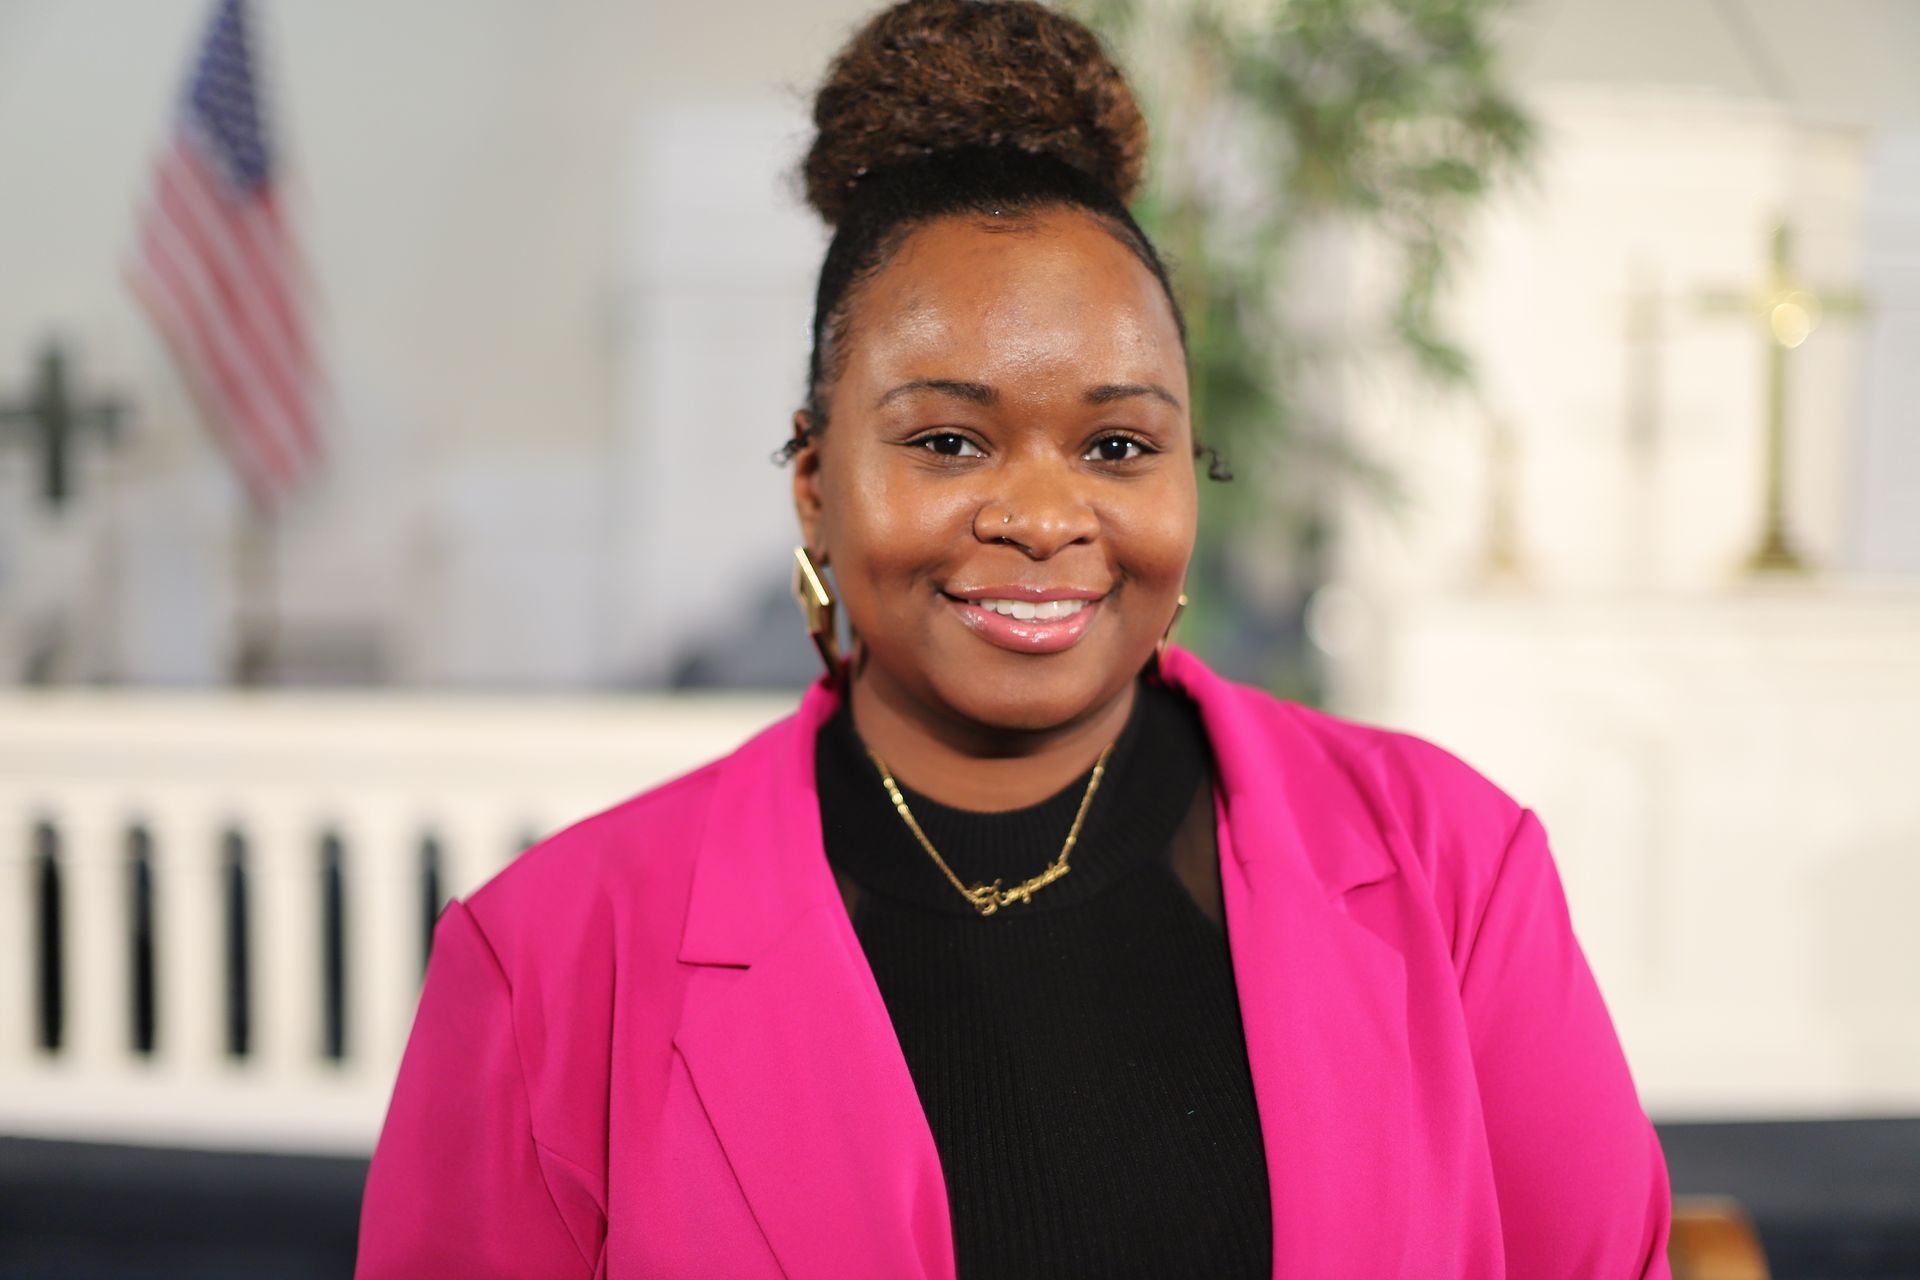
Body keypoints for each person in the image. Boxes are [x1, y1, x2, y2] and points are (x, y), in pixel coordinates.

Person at [354, 1, 1673, 1275]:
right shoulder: (549, 960)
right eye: (947, 440)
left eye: (1116, 444)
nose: (1046, 517)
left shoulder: (1453, 868)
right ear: (815, 480)